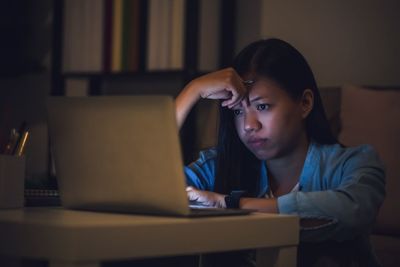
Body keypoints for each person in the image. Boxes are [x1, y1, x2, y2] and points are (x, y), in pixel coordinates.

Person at [175, 38, 386, 267]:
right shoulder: (220, 165)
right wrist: (192, 91)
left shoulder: (353, 163)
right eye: (237, 111)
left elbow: (352, 212)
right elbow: (147, 192)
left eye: (262, 107)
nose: (248, 125)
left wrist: (230, 204)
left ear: (304, 103)